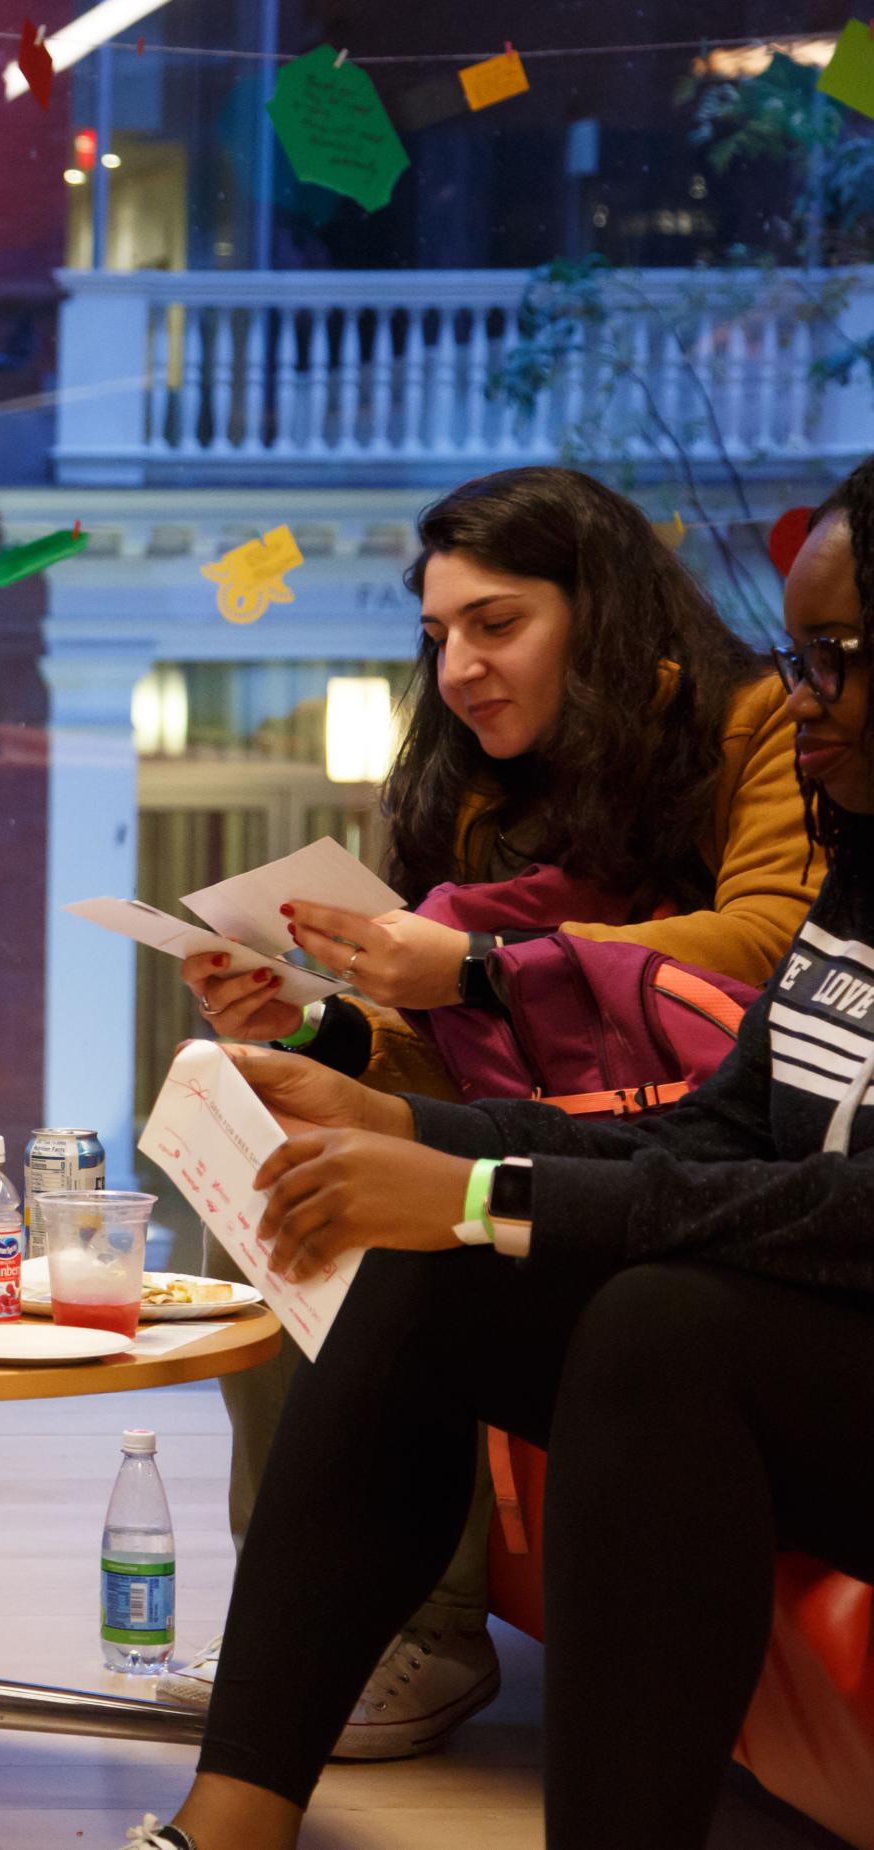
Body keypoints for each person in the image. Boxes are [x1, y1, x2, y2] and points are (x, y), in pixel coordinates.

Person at [116, 459, 874, 1850]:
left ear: (599, 611)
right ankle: (226, 1823)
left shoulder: (757, 745)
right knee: (426, 1245)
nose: (458, 667)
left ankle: (435, 1632)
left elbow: (769, 1055)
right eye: (437, 636)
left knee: (656, 1320)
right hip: (732, 1213)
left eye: (496, 624)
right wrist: (369, 1087)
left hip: (795, 1269)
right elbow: (725, 1119)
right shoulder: (856, 851)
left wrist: (474, 1067)